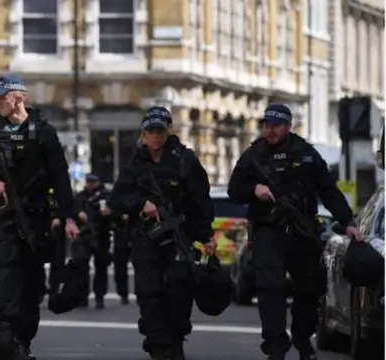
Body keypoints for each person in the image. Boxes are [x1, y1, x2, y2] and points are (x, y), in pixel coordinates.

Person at [227, 104, 363, 360]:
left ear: (288, 126)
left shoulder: (307, 154)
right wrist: (254, 189)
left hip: (302, 234)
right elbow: (235, 189)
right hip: (268, 232)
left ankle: (302, 337)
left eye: (276, 126)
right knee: (270, 290)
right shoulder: (253, 155)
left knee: (308, 289)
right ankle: (276, 347)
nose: (270, 131)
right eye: (267, 125)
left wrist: (348, 222)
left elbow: (328, 190)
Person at [0, 74, 80, 360]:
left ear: (20, 97)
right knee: (5, 276)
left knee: (31, 284)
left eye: (4, 96)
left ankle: (23, 341)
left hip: (37, 220)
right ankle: (5, 334)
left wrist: (69, 217)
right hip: (3, 217)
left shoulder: (44, 133)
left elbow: (61, 177)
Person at [110, 110, 216, 360]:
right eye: (150, 133)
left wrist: (205, 234)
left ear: (168, 132)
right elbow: (117, 199)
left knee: (179, 293)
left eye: (159, 132)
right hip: (146, 240)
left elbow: (201, 200)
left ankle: (175, 341)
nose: (155, 137)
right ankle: (158, 344)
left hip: (179, 238)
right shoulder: (134, 164)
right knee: (149, 293)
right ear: (143, 135)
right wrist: (140, 204)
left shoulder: (184, 160)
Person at [73, 173, 112, 309]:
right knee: (81, 265)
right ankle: (82, 297)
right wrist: (78, 214)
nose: (90, 184)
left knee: (101, 267)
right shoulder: (80, 196)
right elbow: (73, 209)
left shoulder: (106, 196)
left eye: (93, 182)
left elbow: (112, 212)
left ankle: (99, 297)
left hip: (101, 235)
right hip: (84, 236)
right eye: (88, 181)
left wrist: (109, 212)